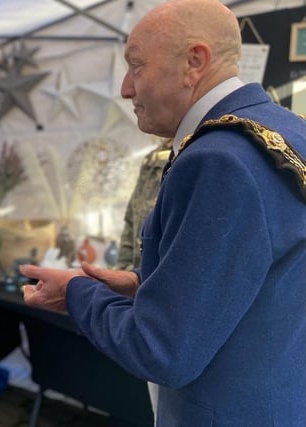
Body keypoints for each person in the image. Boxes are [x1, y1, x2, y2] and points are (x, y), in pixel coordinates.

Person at [21, 0, 306, 425]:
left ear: (194, 61)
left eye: (136, 66)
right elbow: (260, 278)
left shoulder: (217, 158)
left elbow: (162, 349)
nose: (125, 89)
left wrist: (76, 295)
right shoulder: (289, 131)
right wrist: (144, 284)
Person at [115, 138, 172, 271]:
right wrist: (122, 267)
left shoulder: (187, 154)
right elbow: (132, 216)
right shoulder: (150, 158)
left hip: (160, 270)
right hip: (138, 268)